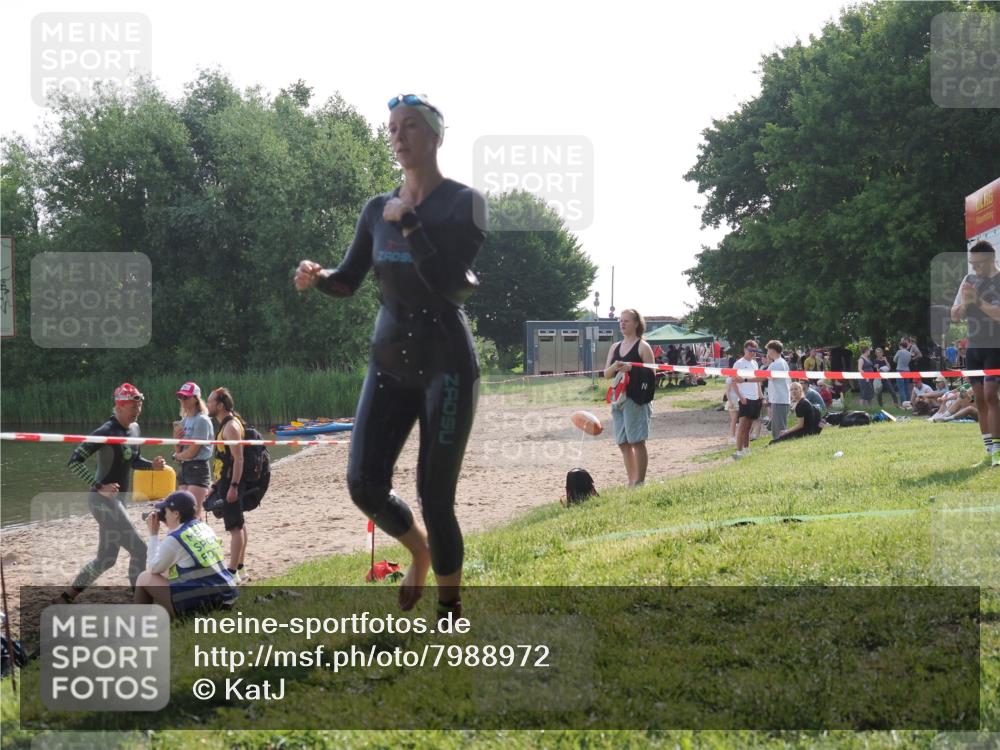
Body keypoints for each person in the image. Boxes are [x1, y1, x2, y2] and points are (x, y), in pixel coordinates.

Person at [294, 94, 486, 621]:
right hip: (390, 363)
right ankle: (419, 552)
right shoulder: (375, 209)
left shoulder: (464, 203)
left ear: (435, 136)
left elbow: (451, 286)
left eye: (410, 127)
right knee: (364, 484)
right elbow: (350, 279)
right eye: (393, 128)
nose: (399, 137)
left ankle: (450, 608)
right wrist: (320, 277)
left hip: (446, 364)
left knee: (434, 493)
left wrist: (411, 226)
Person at [62, 383, 166, 602]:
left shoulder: (135, 429)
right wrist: (99, 486)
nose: (136, 413)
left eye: (139, 408)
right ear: (118, 407)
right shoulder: (106, 432)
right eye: (132, 409)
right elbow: (74, 461)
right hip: (102, 501)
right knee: (140, 550)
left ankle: (67, 595)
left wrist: (152, 466)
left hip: (118, 502)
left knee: (106, 559)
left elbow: (134, 460)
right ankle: (141, 600)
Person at [134, 491, 238, 619]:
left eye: (165, 511)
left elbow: (153, 568)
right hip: (227, 598)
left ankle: (139, 624)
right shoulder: (204, 528)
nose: (163, 515)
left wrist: (153, 535)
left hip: (205, 606)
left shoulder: (176, 539)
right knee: (169, 571)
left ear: (176, 514)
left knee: (144, 577)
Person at [951, 239, 1000, 467]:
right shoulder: (968, 281)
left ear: (991, 260)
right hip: (974, 347)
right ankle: (988, 451)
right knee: (979, 398)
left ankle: (998, 452)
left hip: (996, 346)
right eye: (972, 264)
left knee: (991, 396)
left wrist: (977, 301)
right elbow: (955, 315)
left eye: (978, 264)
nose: (974, 269)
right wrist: (965, 304)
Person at [205, 387, 261, 583]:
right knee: (240, 524)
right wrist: (216, 485)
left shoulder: (231, 427)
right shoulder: (226, 425)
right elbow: (226, 459)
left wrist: (234, 486)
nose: (208, 404)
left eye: (210, 401)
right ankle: (240, 568)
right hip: (226, 480)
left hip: (233, 482)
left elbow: (238, 459)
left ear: (220, 405)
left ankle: (231, 572)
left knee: (235, 528)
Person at [604, 309, 656, 485]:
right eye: (620, 320)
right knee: (623, 442)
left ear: (636, 323)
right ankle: (631, 481)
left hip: (636, 399)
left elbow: (652, 374)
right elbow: (606, 374)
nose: (622, 323)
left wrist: (632, 368)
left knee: (636, 441)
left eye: (626, 320)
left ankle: (639, 482)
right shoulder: (615, 347)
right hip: (618, 398)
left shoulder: (643, 346)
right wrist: (615, 367)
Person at [172, 382, 213, 519]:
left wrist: (177, 456)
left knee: (193, 513)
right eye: (181, 397)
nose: (183, 400)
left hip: (198, 468)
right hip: (184, 468)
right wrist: (177, 441)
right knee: (184, 514)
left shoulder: (201, 420)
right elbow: (181, 448)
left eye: (186, 397)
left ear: (196, 398)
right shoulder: (184, 421)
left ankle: (203, 539)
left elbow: (193, 452)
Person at [732, 340, 763, 459]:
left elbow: (757, 381)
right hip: (745, 398)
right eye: (750, 351)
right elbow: (733, 382)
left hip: (755, 398)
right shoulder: (738, 363)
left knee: (749, 426)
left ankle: (746, 449)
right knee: (742, 426)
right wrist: (741, 397)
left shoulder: (755, 363)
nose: (752, 353)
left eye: (754, 351)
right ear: (745, 350)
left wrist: (760, 395)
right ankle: (738, 452)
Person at [764, 340, 790, 439]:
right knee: (777, 427)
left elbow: (764, 377)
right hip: (779, 399)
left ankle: (779, 444)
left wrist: (745, 379)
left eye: (768, 350)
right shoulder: (779, 362)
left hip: (780, 400)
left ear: (772, 350)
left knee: (779, 429)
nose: (767, 353)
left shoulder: (778, 364)